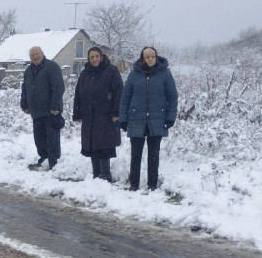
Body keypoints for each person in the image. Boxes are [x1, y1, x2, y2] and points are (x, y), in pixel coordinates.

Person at [119, 46, 178, 191]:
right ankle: (134, 184)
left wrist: (170, 117)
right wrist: (123, 118)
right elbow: (125, 98)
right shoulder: (134, 75)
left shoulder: (165, 73)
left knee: (153, 155)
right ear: (142, 59)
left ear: (156, 57)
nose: (150, 59)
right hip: (136, 119)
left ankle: (152, 185)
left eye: (153, 56)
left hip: (157, 119)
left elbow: (172, 96)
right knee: (135, 154)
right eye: (147, 57)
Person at [72, 46, 123, 182]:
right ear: (88, 59)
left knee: (104, 145)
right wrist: (77, 114)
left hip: (106, 116)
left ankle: (106, 175)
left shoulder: (111, 71)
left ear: (101, 57)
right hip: (89, 115)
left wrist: (116, 113)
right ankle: (96, 174)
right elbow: (78, 94)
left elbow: (119, 93)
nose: (95, 59)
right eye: (92, 57)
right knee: (92, 145)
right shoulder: (84, 74)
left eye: (97, 56)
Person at [20, 45, 65, 170]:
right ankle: (44, 159)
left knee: (52, 139)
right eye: (32, 55)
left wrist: (54, 106)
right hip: (36, 111)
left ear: (42, 53)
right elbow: (25, 89)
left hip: (51, 111)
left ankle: (53, 162)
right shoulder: (28, 70)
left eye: (37, 54)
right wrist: (24, 105)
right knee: (39, 139)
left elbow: (59, 87)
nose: (35, 56)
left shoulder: (51, 67)